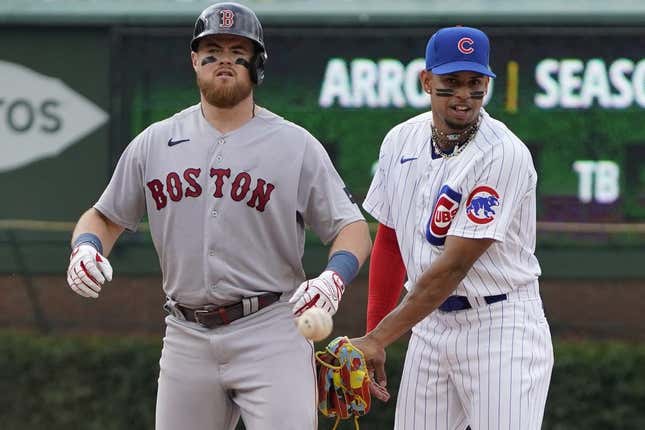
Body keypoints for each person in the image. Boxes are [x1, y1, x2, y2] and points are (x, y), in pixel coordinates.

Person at [65, 3, 371, 429]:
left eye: (237, 48)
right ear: (194, 60)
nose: (224, 58)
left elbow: (352, 229)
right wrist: (86, 247)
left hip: (270, 330)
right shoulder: (155, 142)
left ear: (257, 63)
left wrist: (334, 278)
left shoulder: (294, 144)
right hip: (186, 334)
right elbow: (103, 217)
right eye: (212, 48)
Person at [353, 26, 554, 430]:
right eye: (451, 82)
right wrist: (372, 335)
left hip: (500, 326)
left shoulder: (502, 154)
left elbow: (453, 268)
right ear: (426, 81)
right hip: (429, 324)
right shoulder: (399, 141)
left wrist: (379, 339)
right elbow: (390, 241)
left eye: (475, 83)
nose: (464, 94)